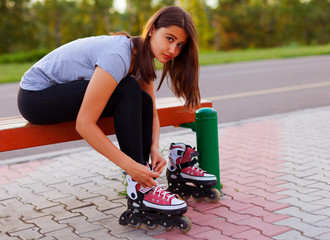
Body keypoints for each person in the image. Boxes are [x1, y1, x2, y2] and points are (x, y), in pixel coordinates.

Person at [18, 6, 199, 231]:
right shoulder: (119, 54)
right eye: (169, 38)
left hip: (59, 93)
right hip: (36, 97)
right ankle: (140, 184)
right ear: (152, 30)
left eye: (180, 45)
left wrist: (154, 147)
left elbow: (150, 110)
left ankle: (142, 186)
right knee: (129, 88)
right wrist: (129, 165)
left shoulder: (143, 59)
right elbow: (84, 124)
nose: (173, 49)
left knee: (140, 97)